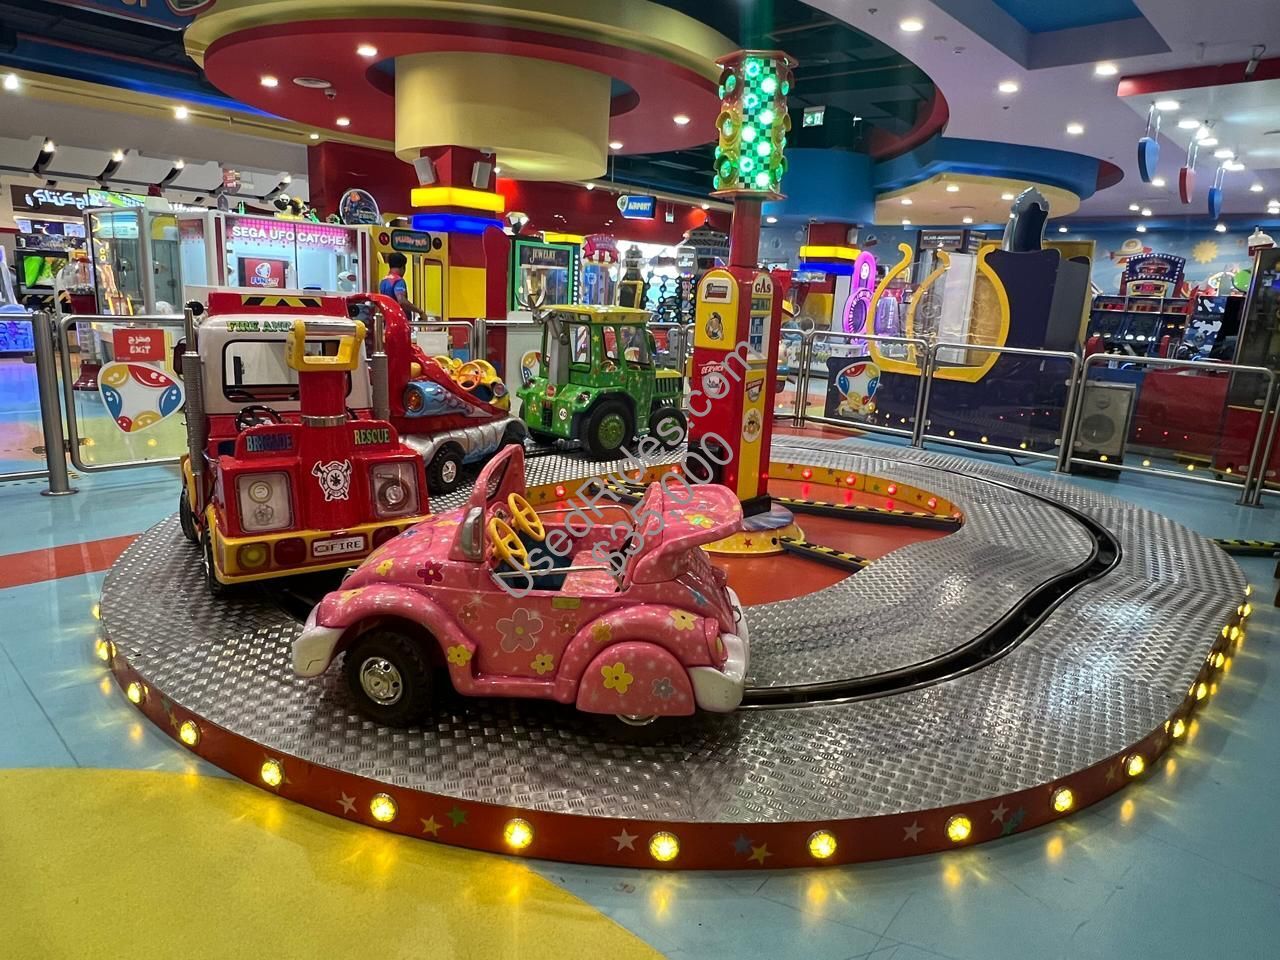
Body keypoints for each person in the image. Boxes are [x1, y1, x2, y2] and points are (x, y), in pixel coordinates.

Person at [379, 252, 424, 321]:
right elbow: (402, 301)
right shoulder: (398, 281)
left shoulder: (383, 281)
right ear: (403, 267)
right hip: (399, 321)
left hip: (388, 320)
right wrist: (420, 311)